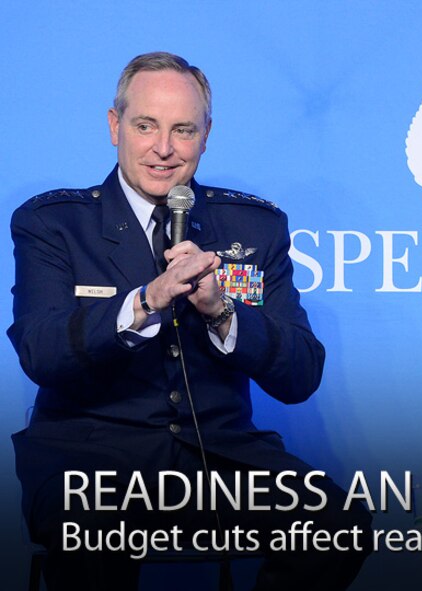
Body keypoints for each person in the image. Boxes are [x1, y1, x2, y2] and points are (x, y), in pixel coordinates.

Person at [8, 52, 371, 590]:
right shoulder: (54, 224)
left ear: (206, 135)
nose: (163, 149)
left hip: (221, 461)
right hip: (89, 461)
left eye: (182, 130)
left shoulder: (254, 226)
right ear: (115, 126)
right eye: (145, 126)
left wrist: (220, 311)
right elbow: (42, 351)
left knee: (337, 524)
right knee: (87, 527)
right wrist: (145, 301)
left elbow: (300, 376)